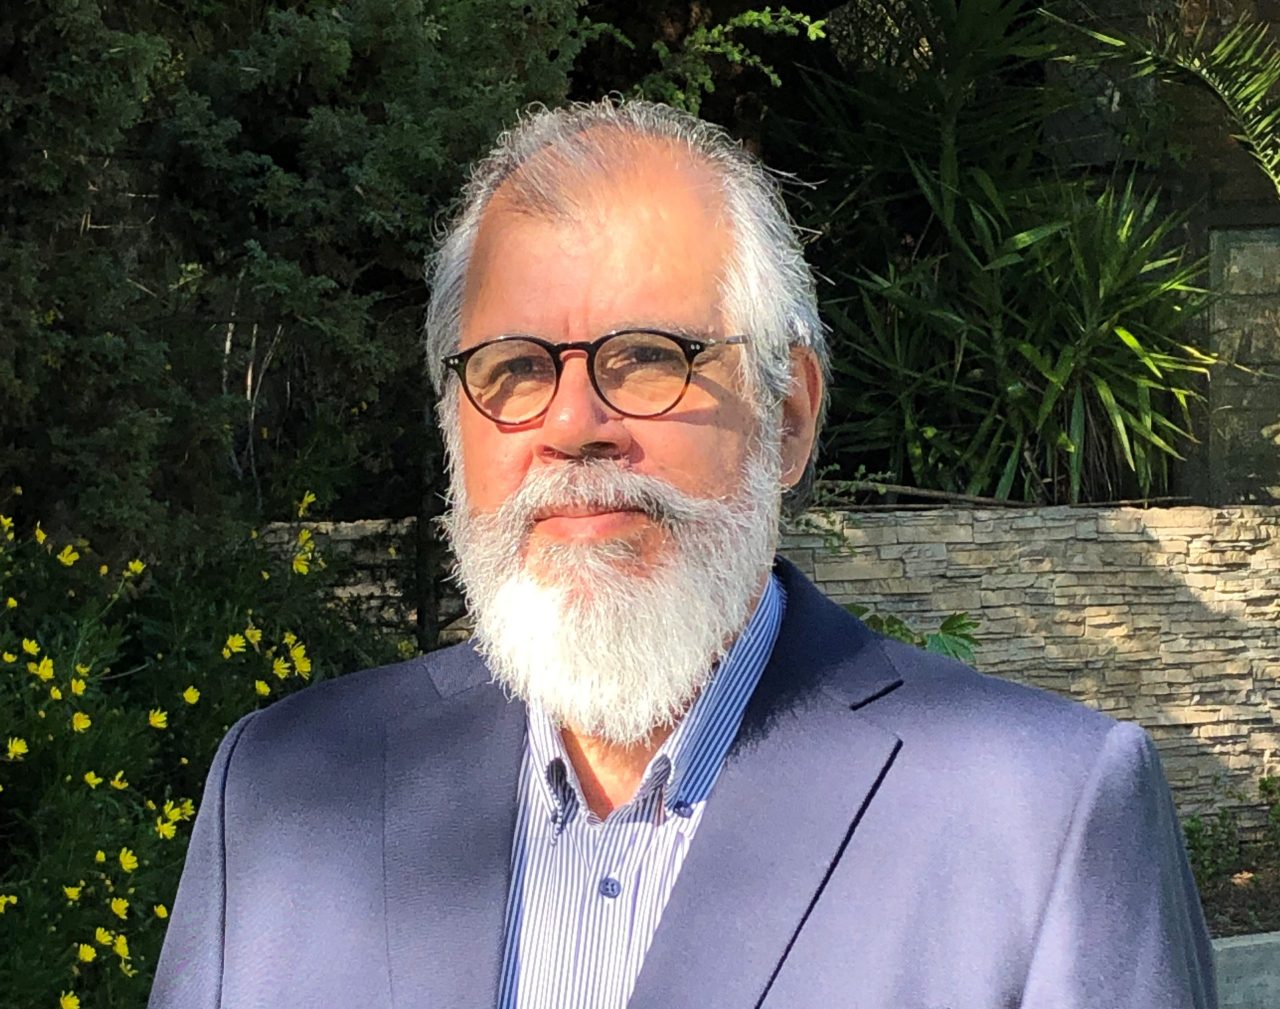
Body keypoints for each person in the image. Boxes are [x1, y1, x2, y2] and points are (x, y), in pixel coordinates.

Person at [149, 99, 1216, 1009]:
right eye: (515, 368)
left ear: (787, 418)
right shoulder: (279, 798)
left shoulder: (1044, 818)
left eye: (648, 357)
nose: (573, 424)